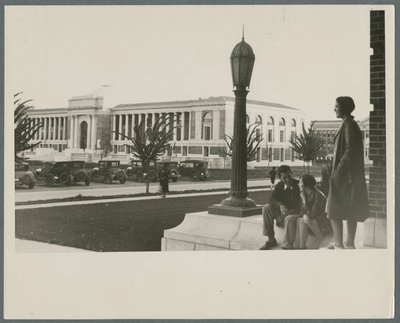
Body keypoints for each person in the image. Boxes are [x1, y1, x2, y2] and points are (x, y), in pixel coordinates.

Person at [326, 96, 369, 249]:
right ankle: (348, 243)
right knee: (350, 208)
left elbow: (351, 150)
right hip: (349, 176)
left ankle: (339, 243)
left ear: (343, 108)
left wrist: (338, 170)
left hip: (345, 176)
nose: (334, 109)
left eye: (336, 106)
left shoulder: (350, 125)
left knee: (332, 209)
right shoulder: (348, 124)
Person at [259, 165, 302, 250]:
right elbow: (271, 200)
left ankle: (287, 246)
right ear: (280, 178)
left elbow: (302, 205)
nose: (288, 180)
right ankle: (271, 239)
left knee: (289, 218)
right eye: (284, 178)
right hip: (283, 214)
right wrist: (281, 205)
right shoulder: (280, 186)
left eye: (289, 176)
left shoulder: (298, 185)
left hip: (295, 215)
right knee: (266, 208)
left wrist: (289, 212)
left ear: (291, 173)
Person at [295, 174, 331, 249]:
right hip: (315, 222)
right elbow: (302, 211)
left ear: (306, 184)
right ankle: (298, 248)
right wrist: (304, 214)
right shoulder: (305, 194)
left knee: (302, 221)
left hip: (324, 225)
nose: (298, 184)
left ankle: (301, 248)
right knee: (299, 220)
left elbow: (312, 214)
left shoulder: (318, 195)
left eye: (300, 182)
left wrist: (304, 201)